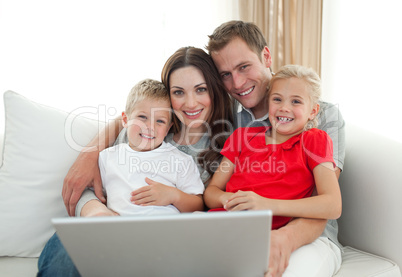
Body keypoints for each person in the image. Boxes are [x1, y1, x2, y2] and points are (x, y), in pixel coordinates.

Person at [37, 46, 233, 276]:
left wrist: (172, 196)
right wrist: (95, 211)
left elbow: (199, 204)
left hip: (162, 238)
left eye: (201, 89)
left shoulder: (225, 144)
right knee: (63, 257)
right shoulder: (139, 131)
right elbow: (96, 184)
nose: (190, 103)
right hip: (108, 226)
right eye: (178, 92)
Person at [206, 20, 345, 277]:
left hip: (309, 236)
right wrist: (114, 129)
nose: (237, 83)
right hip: (238, 229)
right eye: (225, 74)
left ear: (266, 56)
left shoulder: (322, 119)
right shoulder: (231, 124)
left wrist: (285, 237)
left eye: (244, 67)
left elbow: (321, 203)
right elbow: (158, 109)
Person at [204, 64, 341, 235]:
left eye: (296, 101)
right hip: (222, 222)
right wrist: (228, 199)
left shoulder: (314, 140)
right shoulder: (242, 137)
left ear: (313, 111)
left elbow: (333, 205)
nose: (284, 107)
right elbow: (211, 192)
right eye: (277, 99)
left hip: (267, 233)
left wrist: (266, 205)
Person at [99, 78, 204, 216]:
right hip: (121, 230)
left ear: (168, 129)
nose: (150, 127)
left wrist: (173, 195)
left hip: (166, 229)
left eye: (160, 121)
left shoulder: (180, 160)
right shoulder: (107, 157)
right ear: (125, 120)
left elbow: (198, 205)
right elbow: (98, 196)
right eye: (142, 117)